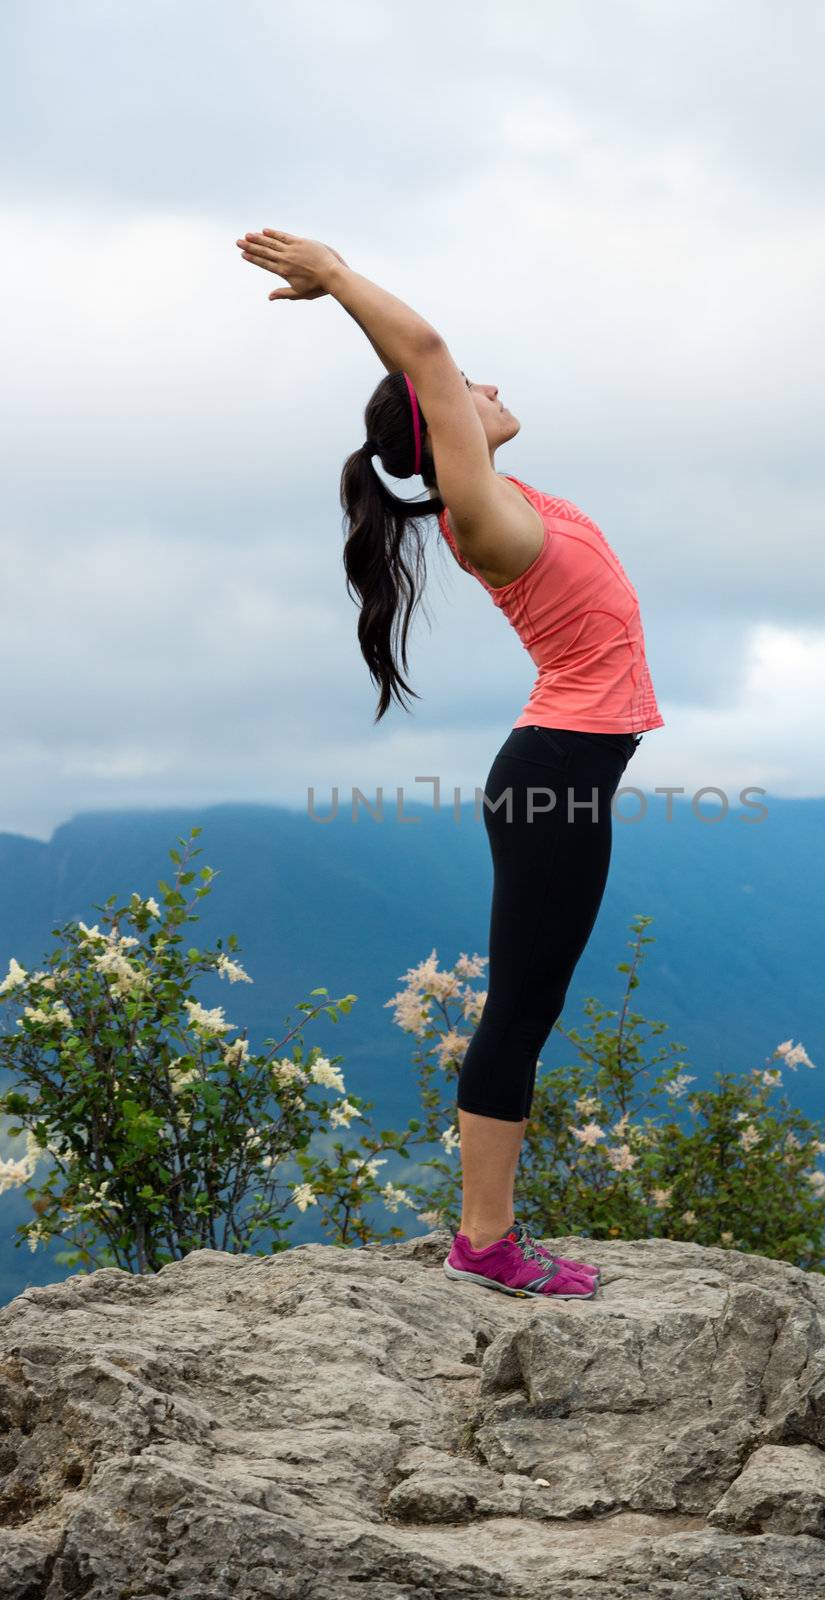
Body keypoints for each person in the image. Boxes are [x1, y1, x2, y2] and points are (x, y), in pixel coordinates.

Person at [235, 228, 665, 1300]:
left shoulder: (512, 503)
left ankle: (486, 1232)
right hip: (552, 779)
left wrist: (440, 400)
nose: (489, 383)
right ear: (444, 429)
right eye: (471, 386)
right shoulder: (481, 512)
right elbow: (423, 354)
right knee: (519, 1006)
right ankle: (484, 1241)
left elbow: (433, 384)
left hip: (558, 772)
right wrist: (335, 277)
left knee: (529, 1001)